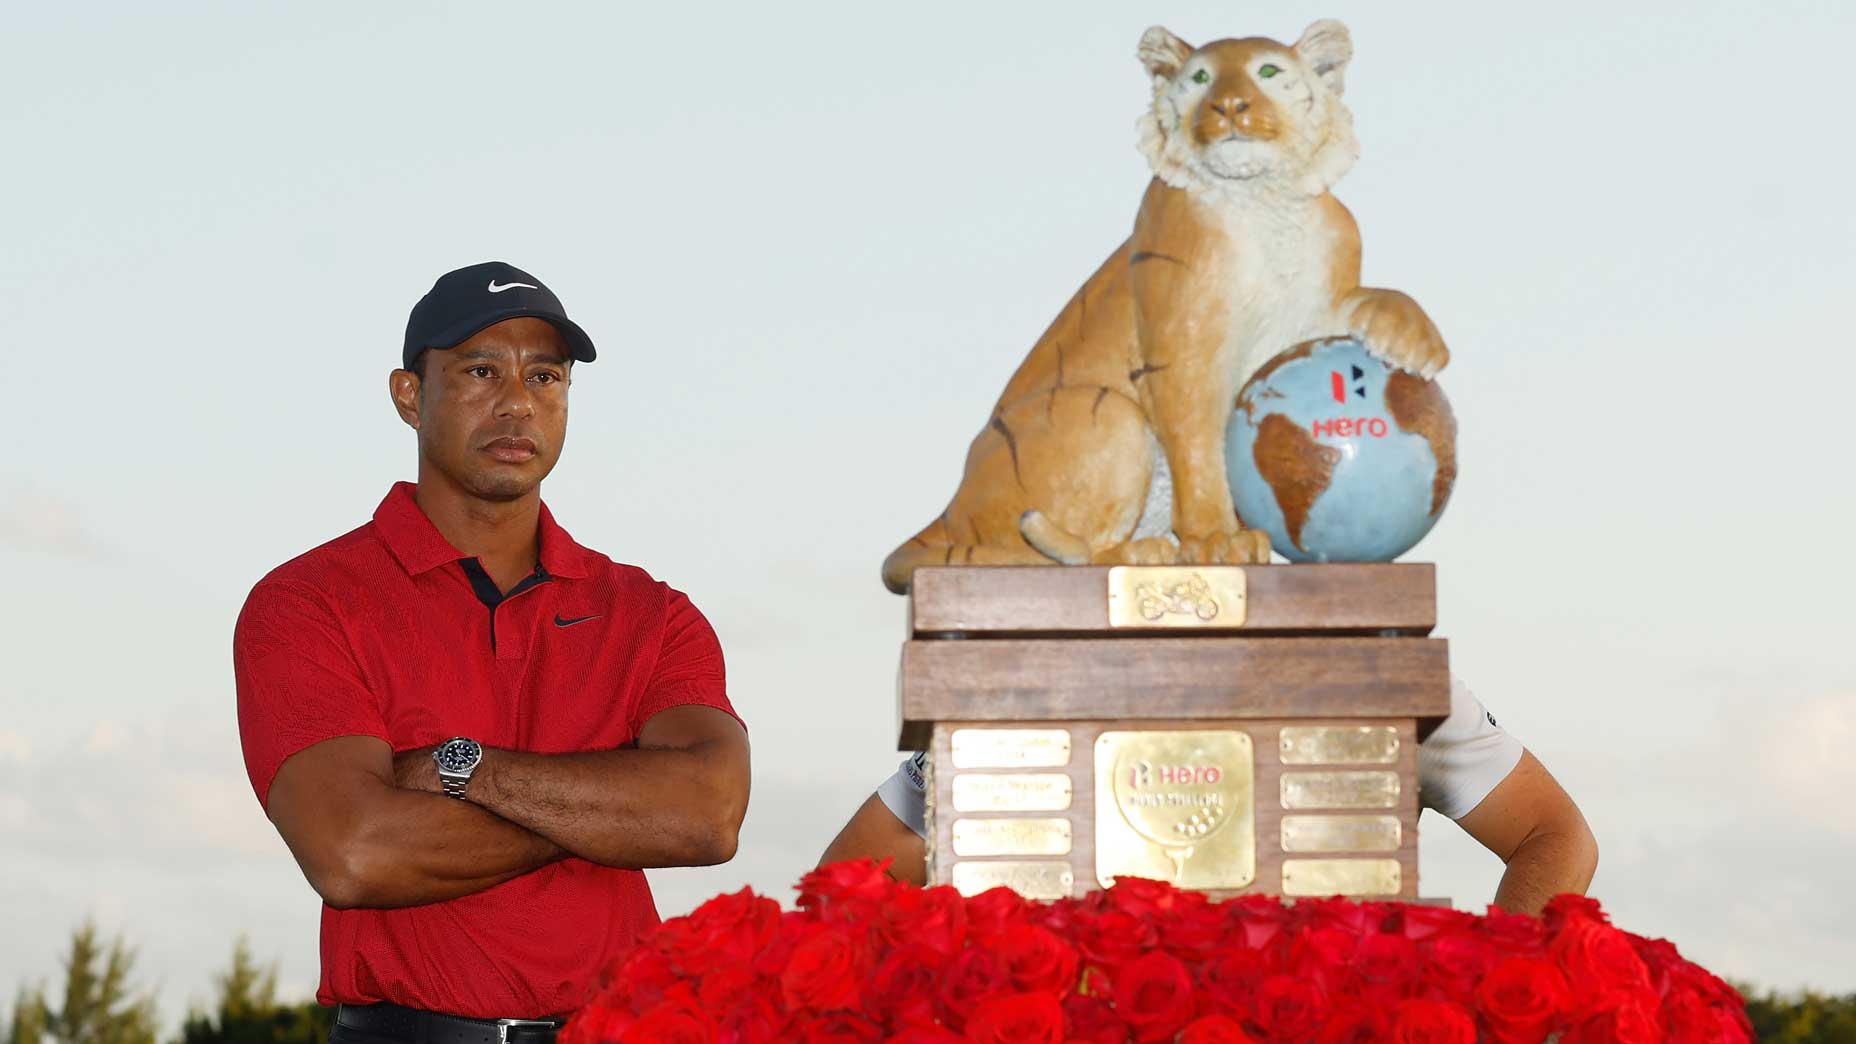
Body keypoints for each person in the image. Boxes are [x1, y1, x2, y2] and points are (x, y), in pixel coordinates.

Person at [233, 261, 750, 1044]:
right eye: (481, 370)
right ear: (410, 396)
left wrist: (464, 771)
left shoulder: (651, 614)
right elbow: (354, 853)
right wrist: (618, 811)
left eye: (546, 375)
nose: (518, 401)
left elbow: (708, 815)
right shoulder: (309, 601)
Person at [820, 678, 1595, 915]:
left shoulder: (1381, 668)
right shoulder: (1041, 676)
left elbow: (1552, 834)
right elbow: (848, 885)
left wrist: (1489, 999)